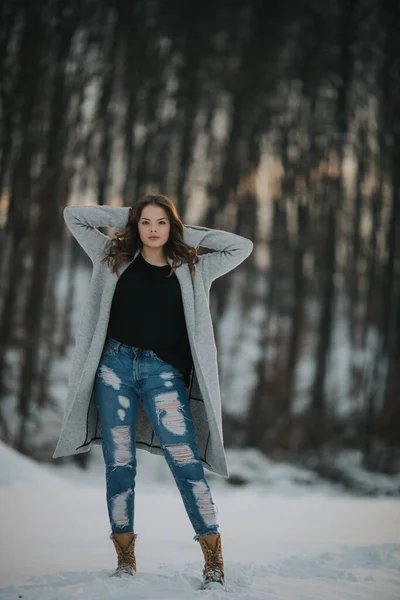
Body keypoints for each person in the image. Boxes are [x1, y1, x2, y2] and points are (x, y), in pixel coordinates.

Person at [55, 193, 253, 590]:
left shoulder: (194, 267)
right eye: (145, 223)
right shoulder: (113, 255)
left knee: (185, 462)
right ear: (134, 225)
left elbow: (241, 246)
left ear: (172, 226)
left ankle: (213, 557)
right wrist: (129, 217)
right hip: (113, 368)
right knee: (119, 462)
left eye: (161, 223)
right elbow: (74, 216)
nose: (152, 230)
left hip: (163, 373)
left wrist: (181, 231)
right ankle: (125, 556)